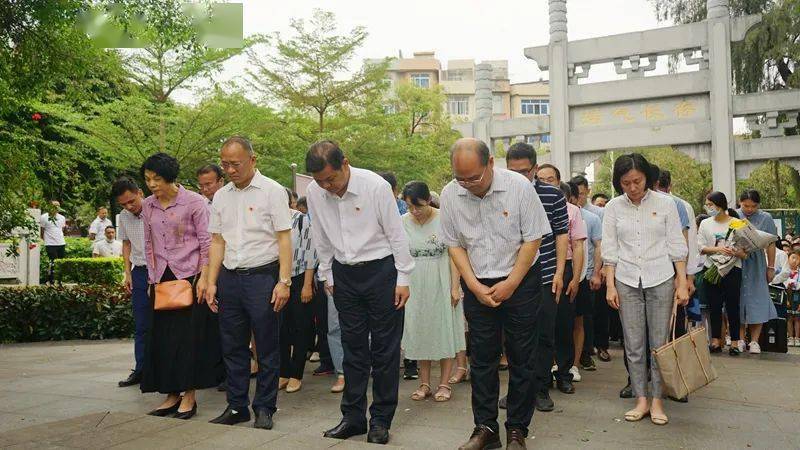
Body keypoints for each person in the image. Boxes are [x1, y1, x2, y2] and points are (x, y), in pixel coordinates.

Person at [441, 138, 550, 450]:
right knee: (483, 358)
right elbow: (454, 244)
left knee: (521, 357)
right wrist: (473, 286)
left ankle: (517, 428)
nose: (467, 185)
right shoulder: (451, 193)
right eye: (460, 178)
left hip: (519, 280)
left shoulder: (519, 187)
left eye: (474, 177)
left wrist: (511, 284)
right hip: (477, 280)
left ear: (490, 164)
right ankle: (485, 428)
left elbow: (533, 240)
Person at [305, 140, 414, 445]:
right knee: (352, 348)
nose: (328, 187)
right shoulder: (316, 192)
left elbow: (396, 233)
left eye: (332, 179)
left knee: (385, 350)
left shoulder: (375, 186)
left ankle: (380, 419)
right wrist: (326, 273)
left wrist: (403, 277)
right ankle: (352, 417)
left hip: (382, 272)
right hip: (343, 275)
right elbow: (320, 234)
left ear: (345, 163)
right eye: (320, 181)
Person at [203, 137, 292, 430]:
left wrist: (284, 281)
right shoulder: (221, 196)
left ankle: (265, 407)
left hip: (263, 277)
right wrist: (212, 281)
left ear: (253, 160)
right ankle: (236, 405)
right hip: (230, 278)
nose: (229, 169)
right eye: (225, 164)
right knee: (232, 345)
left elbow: (284, 238)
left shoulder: (272, 191)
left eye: (235, 163)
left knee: (266, 347)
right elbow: (217, 241)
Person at [603, 153, 689, 427]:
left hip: (660, 277)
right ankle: (641, 398)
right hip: (626, 279)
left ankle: (657, 400)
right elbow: (610, 249)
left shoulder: (666, 204)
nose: (632, 187)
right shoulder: (613, 208)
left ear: (647, 179)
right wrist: (609, 285)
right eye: (625, 182)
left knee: (659, 343)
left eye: (637, 181)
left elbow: (677, 245)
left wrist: (682, 281)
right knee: (633, 344)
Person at [140, 152, 223, 420]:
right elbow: (149, 243)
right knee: (163, 339)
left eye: (157, 179)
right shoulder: (148, 206)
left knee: (188, 340)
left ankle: (189, 396)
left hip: (190, 277)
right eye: (148, 179)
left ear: (170, 178)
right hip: (161, 279)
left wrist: (205, 277)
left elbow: (206, 242)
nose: (152, 185)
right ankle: (170, 394)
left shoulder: (195, 202)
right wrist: (151, 278)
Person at [505, 142, 568, 413]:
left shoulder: (553, 196)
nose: (518, 176)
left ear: (535, 169)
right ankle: (517, 392)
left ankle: (541, 389)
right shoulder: (501, 193)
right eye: (512, 171)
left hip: (544, 276)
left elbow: (561, 235)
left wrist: (559, 273)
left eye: (524, 171)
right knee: (515, 339)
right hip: (511, 279)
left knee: (544, 336)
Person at [400, 181, 466, 403]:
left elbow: (455, 255)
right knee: (420, 329)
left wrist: (455, 287)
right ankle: (424, 383)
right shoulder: (403, 223)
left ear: (428, 200)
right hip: (415, 281)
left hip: (441, 278)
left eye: (418, 206)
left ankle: (445, 383)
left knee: (444, 329)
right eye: (410, 207)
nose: (415, 211)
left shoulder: (444, 219)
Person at [538, 166, 586, 393]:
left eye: (550, 179)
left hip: (564, 269)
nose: (546, 183)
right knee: (542, 327)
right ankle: (543, 374)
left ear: (558, 182)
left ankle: (564, 373)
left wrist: (575, 278)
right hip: (538, 269)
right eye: (541, 179)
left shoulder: (572, 211)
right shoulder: (530, 205)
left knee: (564, 323)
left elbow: (577, 246)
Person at [279, 187, 319, 394]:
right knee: (281, 327)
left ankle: (296, 374)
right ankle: (284, 371)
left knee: (301, 326)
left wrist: (307, 284)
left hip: (301, 276)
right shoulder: (270, 221)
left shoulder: (301, 220)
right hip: (277, 279)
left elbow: (312, 251)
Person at [379, 171, 417, 380]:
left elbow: (399, 242)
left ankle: (410, 362)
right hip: (385, 273)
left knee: (408, 319)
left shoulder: (403, 210)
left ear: (393, 190)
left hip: (405, 271)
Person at [112, 177, 149, 388]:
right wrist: (127, 273)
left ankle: (165, 369)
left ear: (140, 193)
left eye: (132, 201)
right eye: (124, 204)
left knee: (166, 324)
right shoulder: (124, 217)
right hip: (140, 273)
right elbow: (126, 244)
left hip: (162, 274)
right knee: (141, 324)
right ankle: (141, 369)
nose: (129, 206)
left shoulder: (156, 209)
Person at [698, 192, 744, 355]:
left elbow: (745, 250)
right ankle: (715, 340)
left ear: (720, 205)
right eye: (707, 205)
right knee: (714, 306)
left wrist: (736, 252)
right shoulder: (705, 223)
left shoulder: (737, 223)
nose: (708, 208)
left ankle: (735, 342)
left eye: (711, 205)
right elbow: (701, 247)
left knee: (733, 305)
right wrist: (718, 249)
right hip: (712, 268)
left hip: (732, 268)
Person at [736, 189, 779, 354]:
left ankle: (754, 341)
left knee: (758, 298)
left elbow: (771, 244)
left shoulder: (766, 218)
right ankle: (739, 338)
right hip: (737, 260)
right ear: (740, 203)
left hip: (757, 263)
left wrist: (771, 267)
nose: (749, 209)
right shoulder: (734, 215)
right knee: (738, 299)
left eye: (753, 206)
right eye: (746, 206)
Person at [569, 175, 604, 373]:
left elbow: (598, 246)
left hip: (585, 275)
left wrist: (596, 273)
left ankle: (582, 357)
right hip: (564, 276)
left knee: (583, 319)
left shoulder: (592, 218)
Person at [772, 251, 800, 346]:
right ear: (787, 259)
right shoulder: (784, 271)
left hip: (797, 296)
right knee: (788, 317)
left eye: (797, 258)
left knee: (797, 318)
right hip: (786, 294)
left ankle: (797, 338)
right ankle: (790, 337)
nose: (795, 260)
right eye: (793, 258)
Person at [40, 201, 67, 285]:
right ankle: (50, 280)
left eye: (58, 206)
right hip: (50, 243)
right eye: (54, 206)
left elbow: (62, 229)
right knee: (53, 261)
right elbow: (42, 230)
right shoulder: (44, 217)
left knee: (61, 262)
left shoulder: (62, 217)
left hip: (61, 242)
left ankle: (59, 280)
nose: (56, 208)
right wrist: (44, 239)